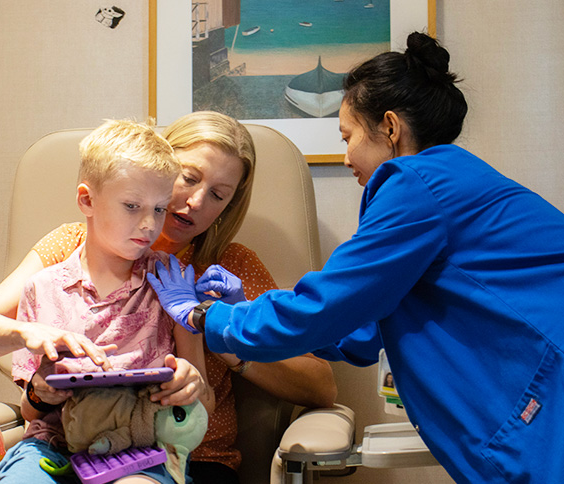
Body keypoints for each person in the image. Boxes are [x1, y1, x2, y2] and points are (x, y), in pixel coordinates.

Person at [148, 33, 564, 484]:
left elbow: (329, 308)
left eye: (347, 136)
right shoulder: (447, 183)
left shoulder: (419, 182)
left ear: (389, 127)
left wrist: (209, 317)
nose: (346, 158)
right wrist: (241, 309)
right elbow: (358, 328)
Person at [0, 111, 337, 484]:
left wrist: (222, 330)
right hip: (63, 441)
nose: (197, 203)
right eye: (188, 178)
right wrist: (32, 347)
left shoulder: (227, 267)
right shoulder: (67, 252)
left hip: (187, 457)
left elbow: (318, 385)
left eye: (218, 195)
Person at [0, 119, 213, 484]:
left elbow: (201, 399)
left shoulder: (169, 283)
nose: (148, 224)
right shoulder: (42, 289)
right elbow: (30, 410)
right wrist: (41, 390)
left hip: (141, 450)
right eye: (131, 206)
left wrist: (190, 383)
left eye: (159, 209)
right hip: (53, 444)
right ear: (86, 200)